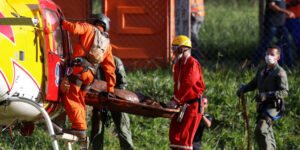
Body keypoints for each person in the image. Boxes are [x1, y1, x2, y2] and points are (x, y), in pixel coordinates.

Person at [61, 13, 116, 148]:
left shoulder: (88, 28)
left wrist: (62, 22)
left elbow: (74, 28)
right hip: (90, 75)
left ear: (95, 21)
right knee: (79, 99)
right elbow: (110, 68)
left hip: (78, 70)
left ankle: (79, 128)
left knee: (70, 97)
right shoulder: (107, 44)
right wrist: (110, 89)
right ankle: (80, 127)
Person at [237, 45, 289, 150]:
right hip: (262, 106)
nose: (268, 56)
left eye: (272, 54)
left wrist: (267, 95)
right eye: (267, 54)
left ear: (278, 57)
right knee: (260, 131)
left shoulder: (280, 72)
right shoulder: (262, 70)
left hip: (273, 106)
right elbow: (254, 83)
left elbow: (284, 92)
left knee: (261, 129)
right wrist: (244, 89)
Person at [167, 35, 205, 150]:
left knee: (185, 139)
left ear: (182, 49)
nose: (173, 51)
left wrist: (176, 100)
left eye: (175, 48)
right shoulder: (178, 64)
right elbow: (177, 86)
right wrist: (174, 100)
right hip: (182, 104)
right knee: (174, 136)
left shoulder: (192, 64)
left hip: (192, 105)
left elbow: (188, 84)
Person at [90, 56, 134, 150]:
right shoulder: (92, 62)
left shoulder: (116, 61)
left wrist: (113, 96)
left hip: (116, 99)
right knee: (97, 128)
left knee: (123, 127)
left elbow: (122, 84)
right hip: (100, 100)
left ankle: (128, 148)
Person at [249, 0, 295, 68]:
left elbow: (282, 5)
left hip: (281, 25)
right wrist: (287, 12)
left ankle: (290, 65)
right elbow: (272, 6)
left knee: (287, 44)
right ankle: (252, 65)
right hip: (272, 24)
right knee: (264, 45)